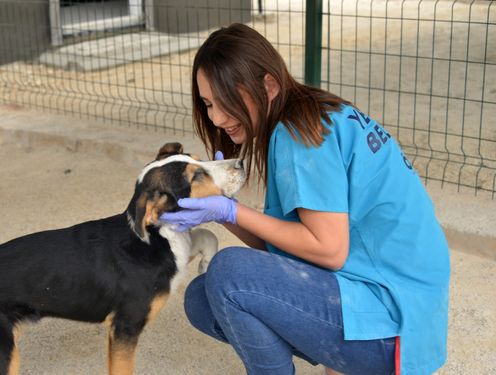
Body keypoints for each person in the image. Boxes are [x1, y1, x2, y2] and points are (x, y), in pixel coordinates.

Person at [160, 23, 450, 375]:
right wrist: (221, 210)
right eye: (208, 104)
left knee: (229, 272)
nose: (217, 118)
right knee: (204, 298)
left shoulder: (297, 133)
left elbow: (327, 249)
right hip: (405, 309)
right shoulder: (310, 115)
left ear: (268, 86)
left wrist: (230, 209)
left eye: (226, 101)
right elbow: (289, 246)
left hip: (392, 324)